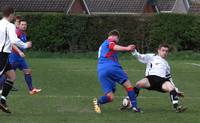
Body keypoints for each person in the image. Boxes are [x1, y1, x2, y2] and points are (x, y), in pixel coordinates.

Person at [126, 44, 186, 112]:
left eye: (166, 51)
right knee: (138, 84)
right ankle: (129, 102)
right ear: (158, 51)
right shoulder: (152, 57)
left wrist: (176, 90)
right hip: (150, 79)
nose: (165, 53)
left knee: (171, 87)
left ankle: (177, 107)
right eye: (163, 50)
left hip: (162, 82)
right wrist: (134, 51)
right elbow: (140, 56)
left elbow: (169, 78)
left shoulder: (166, 64)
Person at [93, 30, 141, 114]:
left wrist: (121, 70)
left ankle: (98, 102)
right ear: (115, 36)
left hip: (101, 70)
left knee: (110, 97)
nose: (116, 41)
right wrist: (127, 48)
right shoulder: (110, 41)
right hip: (110, 67)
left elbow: (114, 59)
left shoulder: (103, 46)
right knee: (128, 85)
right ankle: (134, 107)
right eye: (117, 39)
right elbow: (113, 46)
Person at [0, 6, 32, 113]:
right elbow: (14, 40)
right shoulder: (10, 26)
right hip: (2, 55)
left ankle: (2, 100)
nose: (14, 16)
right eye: (13, 14)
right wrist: (25, 45)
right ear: (11, 14)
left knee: (12, 76)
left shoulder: (0, 23)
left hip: (4, 55)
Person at [9, 19, 41, 95]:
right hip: (14, 57)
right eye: (22, 24)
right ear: (19, 25)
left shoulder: (23, 33)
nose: (24, 26)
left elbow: (21, 44)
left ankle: (31, 90)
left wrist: (26, 45)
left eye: (25, 25)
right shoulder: (17, 32)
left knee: (27, 71)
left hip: (21, 58)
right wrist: (19, 51)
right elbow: (12, 43)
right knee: (8, 74)